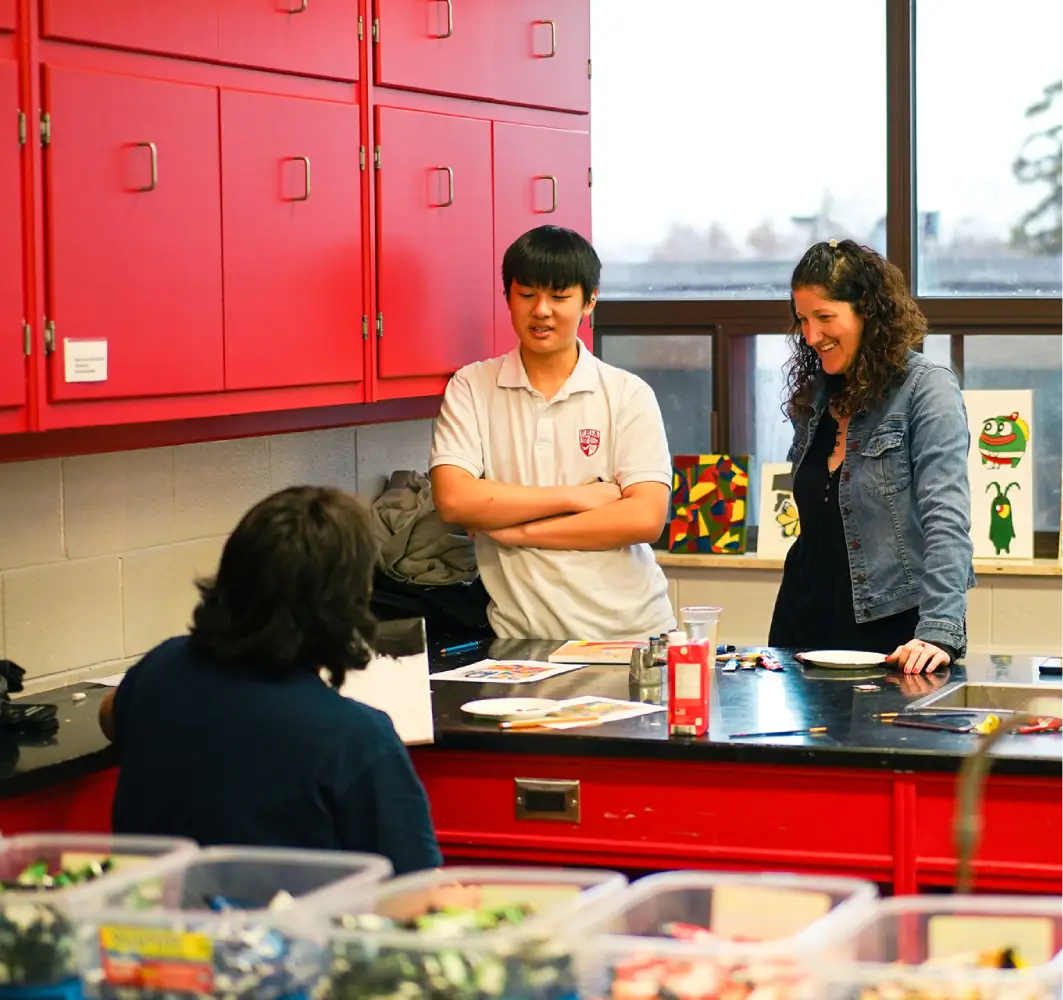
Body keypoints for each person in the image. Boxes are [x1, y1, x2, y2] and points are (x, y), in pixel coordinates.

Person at [99, 486, 442, 875]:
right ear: (349, 602)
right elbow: (414, 893)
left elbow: (110, 715)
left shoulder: (160, 668)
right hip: (284, 932)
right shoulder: (356, 738)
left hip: (150, 927)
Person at [429, 225, 676, 640]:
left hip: (629, 635)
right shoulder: (471, 386)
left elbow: (646, 517)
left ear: (589, 300)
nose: (541, 310)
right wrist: (576, 497)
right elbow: (454, 499)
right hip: (521, 643)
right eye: (527, 295)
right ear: (507, 296)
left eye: (559, 297)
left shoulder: (626, 393)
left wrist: (518, 531)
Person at [768, 239, 974, 674]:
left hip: (895, 636)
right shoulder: (814, 399)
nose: (811, 336)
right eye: (803, 319)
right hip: (800, 630)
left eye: (825, 317)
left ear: (867, 311)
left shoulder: (926, 389)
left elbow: (946, 519)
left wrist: (938, 630)